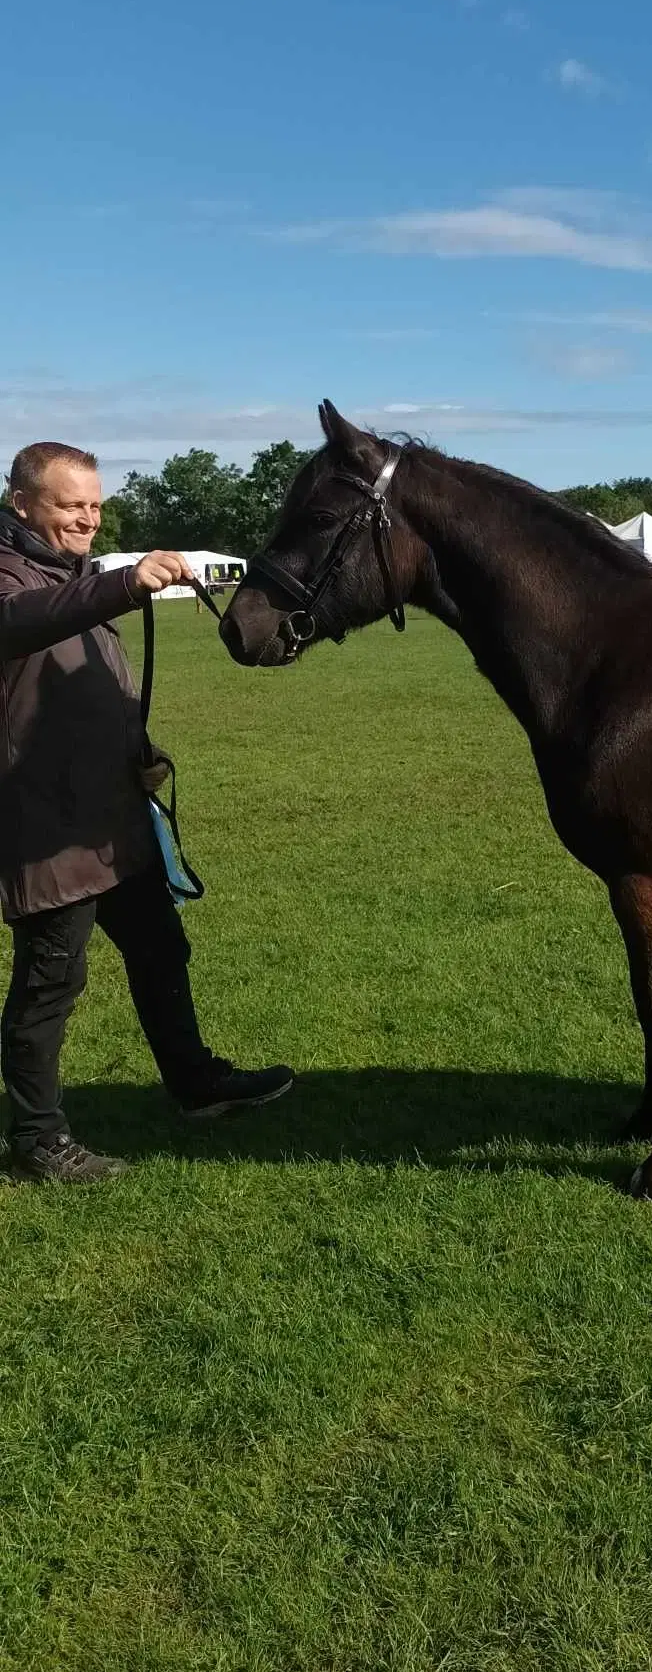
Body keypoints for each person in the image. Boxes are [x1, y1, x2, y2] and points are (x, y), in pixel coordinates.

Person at [1, 441, 292, 1183]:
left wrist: (141, 748)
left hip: (112, 816)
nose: (88, 520)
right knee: (50, 985)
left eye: (95, 506)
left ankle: (194, 1082)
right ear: (21, 503)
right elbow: (28, 622)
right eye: (71, 505)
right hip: (47, 828)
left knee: (161, 949)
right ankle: (38, 1142)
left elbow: (81, 689)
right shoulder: (17, 579)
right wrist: (125, 584)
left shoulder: (73, 576)